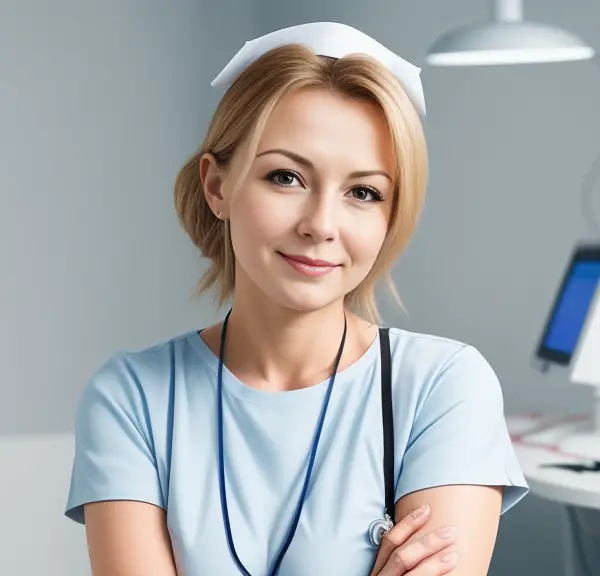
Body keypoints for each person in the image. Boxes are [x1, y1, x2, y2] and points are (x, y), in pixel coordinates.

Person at [64, 21, 529, 576]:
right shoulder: (131, 399)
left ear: (390, 215)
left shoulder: (444, 387)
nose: (321, 225)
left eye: (363, 192)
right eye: (286, 177)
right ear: (217, 187)